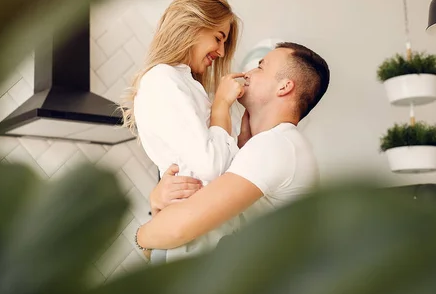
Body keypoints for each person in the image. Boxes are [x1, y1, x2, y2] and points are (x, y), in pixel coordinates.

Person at [134, 42, 330, 253]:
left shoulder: (277, 146)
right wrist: (158, 199)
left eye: (261, 67)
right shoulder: (271, 145)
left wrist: (140, 238)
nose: (248, 72)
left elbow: (179, 227)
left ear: (284, 87)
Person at [121, 0, 249, 263]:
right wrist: (221, 106)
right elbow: (211, 165)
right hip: (190, 239)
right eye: (218, 38)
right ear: (192, 25)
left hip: (197, 231)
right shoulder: (163, 79)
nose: (222, 51)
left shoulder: (183, 82)